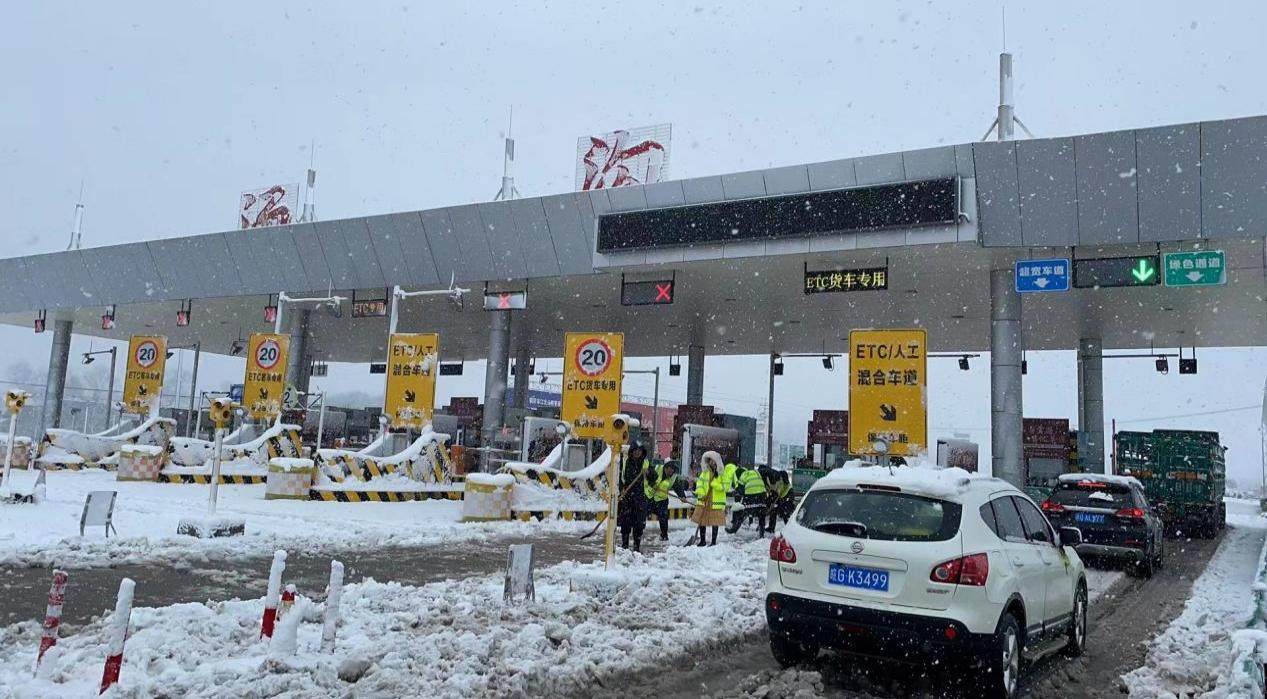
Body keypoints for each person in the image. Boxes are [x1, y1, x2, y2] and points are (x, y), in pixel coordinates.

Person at [644, 460, 689, 541]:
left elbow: (677, 487)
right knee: (642, 514)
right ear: (666, 468)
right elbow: (648, 475)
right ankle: (638, 532)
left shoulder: (673, 477)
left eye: (673, 470)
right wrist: (652, 484)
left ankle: (664, 535)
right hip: (649, 497)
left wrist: (682, 496)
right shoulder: (657, 469)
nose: (672, 471)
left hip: (662, 500)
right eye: (670, 469)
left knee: (664, 517)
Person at [617, 443, 650, 552]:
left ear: (642, 452)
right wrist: (621, 490)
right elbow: (619, 477)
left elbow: (653, 478)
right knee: (625, 523)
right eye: (635, 450)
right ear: (631, 451)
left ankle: (636, 546)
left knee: (638, 524)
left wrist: (648, 472)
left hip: (640, 498)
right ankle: (625, 545)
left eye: (639, 450)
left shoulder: (645, 463)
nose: (637, 452)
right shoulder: (625, 462)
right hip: (627, 497)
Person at [691, 452, 728, 546]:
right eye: (710, 460)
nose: (711, 462)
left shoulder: (722, 474)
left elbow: (726, 487)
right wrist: (702, 493)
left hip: (715, 501)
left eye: (713, 460)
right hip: (705, 500)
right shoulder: (704, 473)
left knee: (715, 521)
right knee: (702, 520)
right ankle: (702, 541)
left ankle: (713, 542)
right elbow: (700, 484)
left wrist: (715, 484)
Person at [727, 464, 770, 536]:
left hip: (750, 496)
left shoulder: (744, 475)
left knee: (743, 512)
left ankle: (734, 529)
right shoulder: (756, 473)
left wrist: (740, 494)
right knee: (761, 515)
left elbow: (740, 489)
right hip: (762, 495)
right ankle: (761, 535)